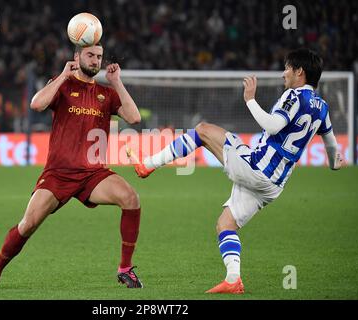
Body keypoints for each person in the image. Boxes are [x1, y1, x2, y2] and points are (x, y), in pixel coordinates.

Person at [129, 48, 343, 294]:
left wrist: (250, 99)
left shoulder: (293, 96)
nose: (283, 73)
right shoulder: (322, 107)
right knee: (225, 224)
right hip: (274, 185)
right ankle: (233, 280)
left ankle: (148, 165)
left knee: (202, 130)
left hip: (256, 167)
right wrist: (334, 163)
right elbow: (331, 144)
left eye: (287, 68)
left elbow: (273, 126)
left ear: (299, 72)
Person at [0, 42, 143, 289]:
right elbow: (36, 104)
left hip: (93, 174)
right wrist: (64, 75)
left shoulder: (106, 94)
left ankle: (125, 269)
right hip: (58, 174)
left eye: (99, 57)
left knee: (131, 198)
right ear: (77, 56)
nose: (95, 61)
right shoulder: (63, 84)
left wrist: (117, 81)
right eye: (90, 55)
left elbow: (135, 117)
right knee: (28, 224)